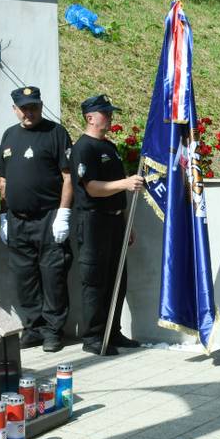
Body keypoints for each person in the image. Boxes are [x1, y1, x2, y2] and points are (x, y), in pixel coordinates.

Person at [0, 86, 73, 352]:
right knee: (24, 277)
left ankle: (53, 331)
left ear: (40, 106)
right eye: (23, 108)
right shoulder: (10, 135)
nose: (29, 112)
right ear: (15, 109)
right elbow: (3, 180)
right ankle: (33, 327)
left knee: (53, 276)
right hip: (17, 221)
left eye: (33, 107)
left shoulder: (55, 133)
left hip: (48, 218)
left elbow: (68, 177)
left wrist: (64, 214)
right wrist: (4, 214)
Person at [70, 94, 145, 356]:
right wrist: (124, 183)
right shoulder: (83, 148)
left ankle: (113, 332)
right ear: (90, 117)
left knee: (117, 279)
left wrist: (126, 223)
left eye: (110, 113)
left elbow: (116, 193)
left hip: (114, 221)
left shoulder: (109, 147)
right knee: (95, 281)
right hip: (93, 222)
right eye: (105, 113)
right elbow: (91, 188)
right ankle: (93, 337)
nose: (110, 117)